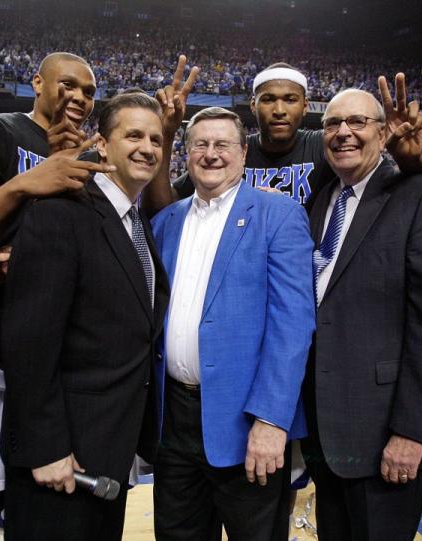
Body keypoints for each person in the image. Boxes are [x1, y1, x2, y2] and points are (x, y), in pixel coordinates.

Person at [0, 51, 114, 540]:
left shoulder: (88, 155)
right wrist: (30, 185)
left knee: (8, 498)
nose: (78, 97)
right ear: (37, 82)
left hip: (37, 362)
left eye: (88, 91)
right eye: (68, 85)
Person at [0, 90, 169, 540]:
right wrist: (46, 447)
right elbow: (28, 342)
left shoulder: (136, 222)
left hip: (107, 452)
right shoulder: (60, 212)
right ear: (101, 144)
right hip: (61, 457)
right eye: (132, 135)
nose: (147, 147)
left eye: (156, 138)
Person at [150, 106, 315, 541]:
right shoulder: (165, 221)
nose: (211, 154)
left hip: (247, 425)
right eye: (200, 144)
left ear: (243, 153)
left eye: (222, 144)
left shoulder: (278, 214)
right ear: (186, 154)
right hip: (174, 422)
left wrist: (271, 420)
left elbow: (293, 326)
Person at [299, 88, 422, 540]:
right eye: (332, 124)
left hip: (386, 432)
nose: (343, 133)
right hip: (324, 431)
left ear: (384, 131)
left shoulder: (419, 194)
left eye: (358, 122)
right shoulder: (320, 198)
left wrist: (412, 431)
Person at [145, 62, 422, 215]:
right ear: (253, 105)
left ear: (305, 106)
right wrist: (166, 135)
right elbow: (164, 207)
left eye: (290, 100)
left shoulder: (326, 144)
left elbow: (393, 184)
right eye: (268, 100)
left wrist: (409, 157)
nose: (279, 110)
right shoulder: (233, 153)